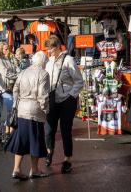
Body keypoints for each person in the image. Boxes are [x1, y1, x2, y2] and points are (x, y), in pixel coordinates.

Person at [5, 51, 50, 180]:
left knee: (21, 140)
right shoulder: (43, 74)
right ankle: (34, 170)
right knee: (35, 140)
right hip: (35, 111)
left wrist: (16, 104)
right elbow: (43, 95)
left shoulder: (23, 72)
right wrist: (45, 110)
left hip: (22, 110)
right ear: (43, 63)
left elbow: (15, 90)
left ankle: (16, 169)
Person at [45, 35, 83, 174]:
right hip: (52, 100)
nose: (48, 52)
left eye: (49, 49)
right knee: (49, 130)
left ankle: (67, 160)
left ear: (56, 47)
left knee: (66, 130)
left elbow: (79, 81)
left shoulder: (68, 60)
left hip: (67, 100)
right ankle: (49, 153)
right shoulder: (49, 62)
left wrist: (71, 96)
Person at [0, 42, 18, 137]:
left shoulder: (9, 58)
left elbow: (16, 69)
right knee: (11, 108)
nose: (8, 50)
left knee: (12, 109)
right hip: (4, 88)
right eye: (5, 49)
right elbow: (5, 73)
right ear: (1, 50)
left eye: (8, 48)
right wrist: (18, 76)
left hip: (12, 87)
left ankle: (9, 129)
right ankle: (7, 129)